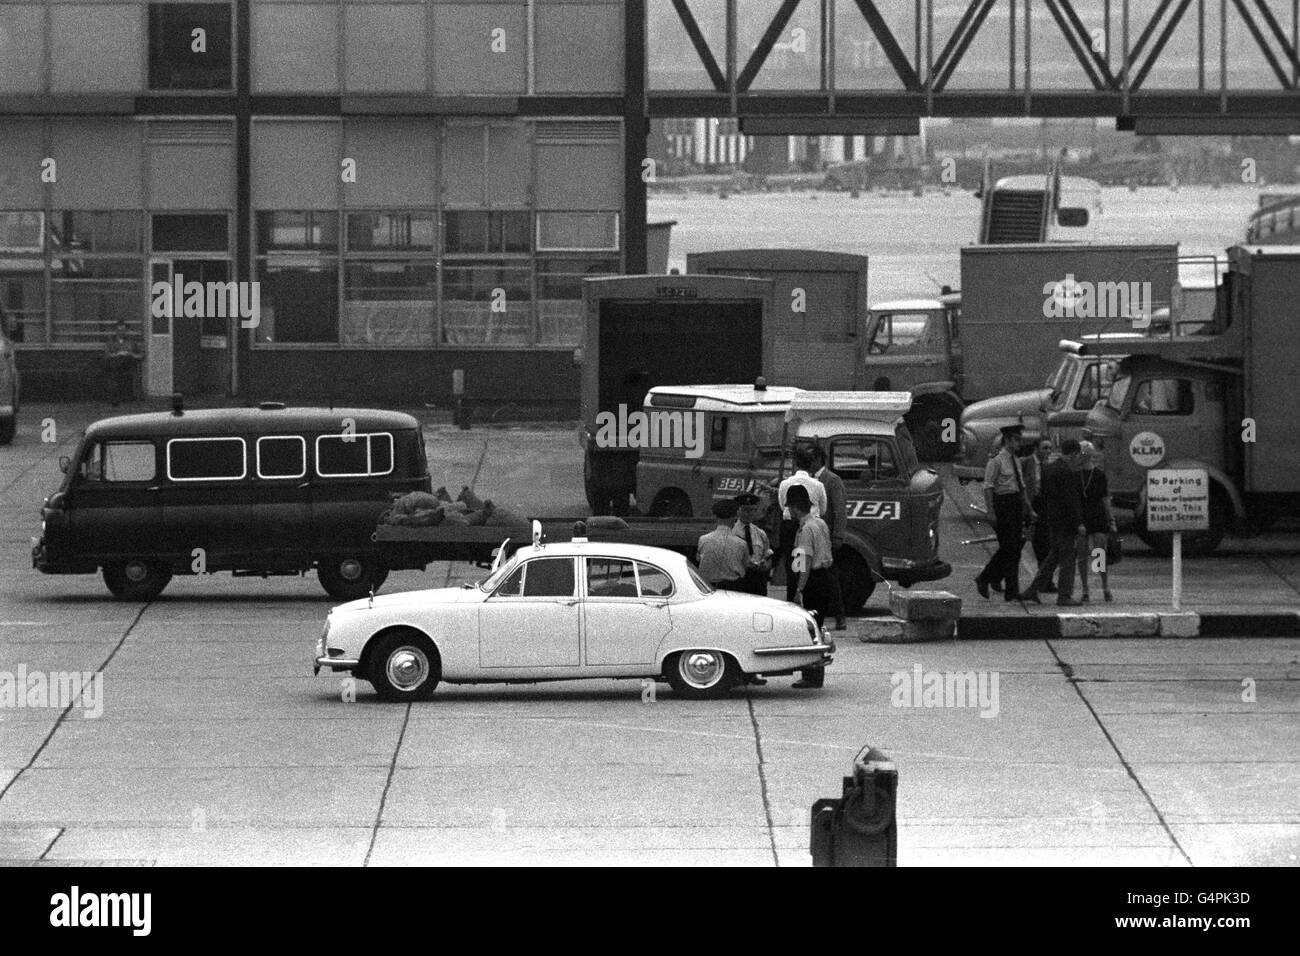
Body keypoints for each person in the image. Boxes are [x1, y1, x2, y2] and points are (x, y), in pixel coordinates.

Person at [1021, 438, 1088, 606]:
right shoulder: (1066, 471)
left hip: (1052, 520)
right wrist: (1079, 523)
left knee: (1053, 557)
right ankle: (1064, 595)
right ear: (1073, 453)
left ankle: (1033, 589)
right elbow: (1070, 500)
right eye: (1077, 454)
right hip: (1066, 523)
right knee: (1067, 560)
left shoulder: (1049, 469)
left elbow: (1044, 496)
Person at [975, 424, 1035, 601]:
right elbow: (988, 487)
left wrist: (1029, 509)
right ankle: (985, 577)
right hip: (1003, 505)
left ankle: (1011, 590)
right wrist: (990, 511)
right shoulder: (996, 460)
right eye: (1017, 439)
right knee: (1009, 548)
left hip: (1015, 504)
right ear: (1007, 440)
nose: (1019, 443)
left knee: (1014, 549)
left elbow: (1021, 487)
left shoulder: (1015, 460)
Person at [786, 484, 832, 689]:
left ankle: (811, 675)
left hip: (811, 580)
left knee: (809, 630)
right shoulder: (820, 523)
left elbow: (804, 563)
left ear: (796, 508)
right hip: (825, 576)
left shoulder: (806, 529)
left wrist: (799, 590)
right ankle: (817, 675)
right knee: (818, 627)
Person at [775, 446, 828, 602]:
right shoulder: (818, 485)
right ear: (810, 464)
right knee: (811, 565)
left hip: (790, 526)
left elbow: (782, 505)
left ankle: (793, 601)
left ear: (795, 464)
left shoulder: (785, 484)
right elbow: (823, 509)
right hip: (811, 526)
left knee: (792, 568)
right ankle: (809, 599)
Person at [809, 443, 848, 630]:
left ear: (818, 459)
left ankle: (840, 615)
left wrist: (838, 535)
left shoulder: (832, 480)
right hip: (810, 535)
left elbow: (840, 510)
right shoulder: (808, 479)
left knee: (831, 578)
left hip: (826, 536)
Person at [1075, 440, 1117, 602]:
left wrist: (1111, 520)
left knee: (1098, 553)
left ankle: (1105, 586)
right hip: (1082, 517)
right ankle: (1085, 588)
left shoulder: (1099, 475)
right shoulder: (1075, 474)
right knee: (1082, 555)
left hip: (1097, 516)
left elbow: (1105, 499)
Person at [696, 498, 750, 591]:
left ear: (716, 517)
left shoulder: (703, 540)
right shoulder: (741, 544)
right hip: (733, 587)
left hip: (707, 587)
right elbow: (746, 565)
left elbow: (699, 559)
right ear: (735, 517)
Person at [1025, 437, 1056, 592]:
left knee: (1044, 544)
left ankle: (1046, 581)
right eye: (1045, 448)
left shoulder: (1047, 466)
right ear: (1036, 448)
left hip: (1043, 506)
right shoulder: (1026, 463)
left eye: (1050, 448)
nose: (1048, 451)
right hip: (1029, 504)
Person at [731, 492, 773, 596]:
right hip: (738, 579)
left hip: (757, 580)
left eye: (752, 510)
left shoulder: (760, 533)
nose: (748, 513)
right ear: (737, 510)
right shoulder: (731, 532)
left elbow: (768, 556)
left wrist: (765, 565)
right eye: (745, 510)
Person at [103, 320, 141, 407]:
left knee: (126, 363)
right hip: (115, 365)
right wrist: (117, 354)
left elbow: (141, 354)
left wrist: (131, 354)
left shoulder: (132, 342)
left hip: (129, 365)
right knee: (114, 370)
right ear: (116, 331)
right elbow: (106, 355)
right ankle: (115, 398)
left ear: (126, 331)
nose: (121, 333)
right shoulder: (111, 342)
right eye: (119, 330)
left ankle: (128, 396)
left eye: (123, 331)